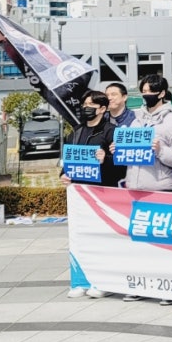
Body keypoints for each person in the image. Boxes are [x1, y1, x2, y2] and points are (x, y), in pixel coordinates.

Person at [120, 75, 172, 304]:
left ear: (161, 93)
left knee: (164, 242)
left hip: (162, 188)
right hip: (137, 188)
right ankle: (141, 284)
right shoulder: (136, 121)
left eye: (150, 91)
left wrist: (160, 151)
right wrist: (118, 148)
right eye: (143, 91)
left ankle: (169, 288)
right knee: (141, 242)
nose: (146, 96)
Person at [64, 90, 117, 299]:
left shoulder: (111, 131)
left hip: (102, 193)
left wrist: (106, 160)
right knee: (80, 238)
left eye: (91, 105)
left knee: (103, 239)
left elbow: (122, 165)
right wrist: (64, 174)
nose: (86, 108)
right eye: (84, 104)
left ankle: (104, 281)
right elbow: (67, 161)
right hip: (79, 194)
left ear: (102, 109)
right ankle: (80, 281)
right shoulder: (76, 132)